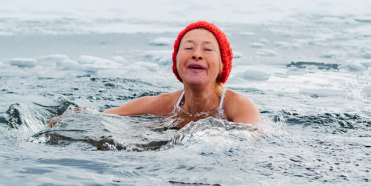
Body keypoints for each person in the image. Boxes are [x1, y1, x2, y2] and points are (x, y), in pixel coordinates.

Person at [104, 21, 262, 124]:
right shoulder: (165, 104)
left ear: (222, 65)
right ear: (176, 61)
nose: (197, 55)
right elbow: (105, 117)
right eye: (188, 48)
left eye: (207, 49)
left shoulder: (239, 106)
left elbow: (253, 144)